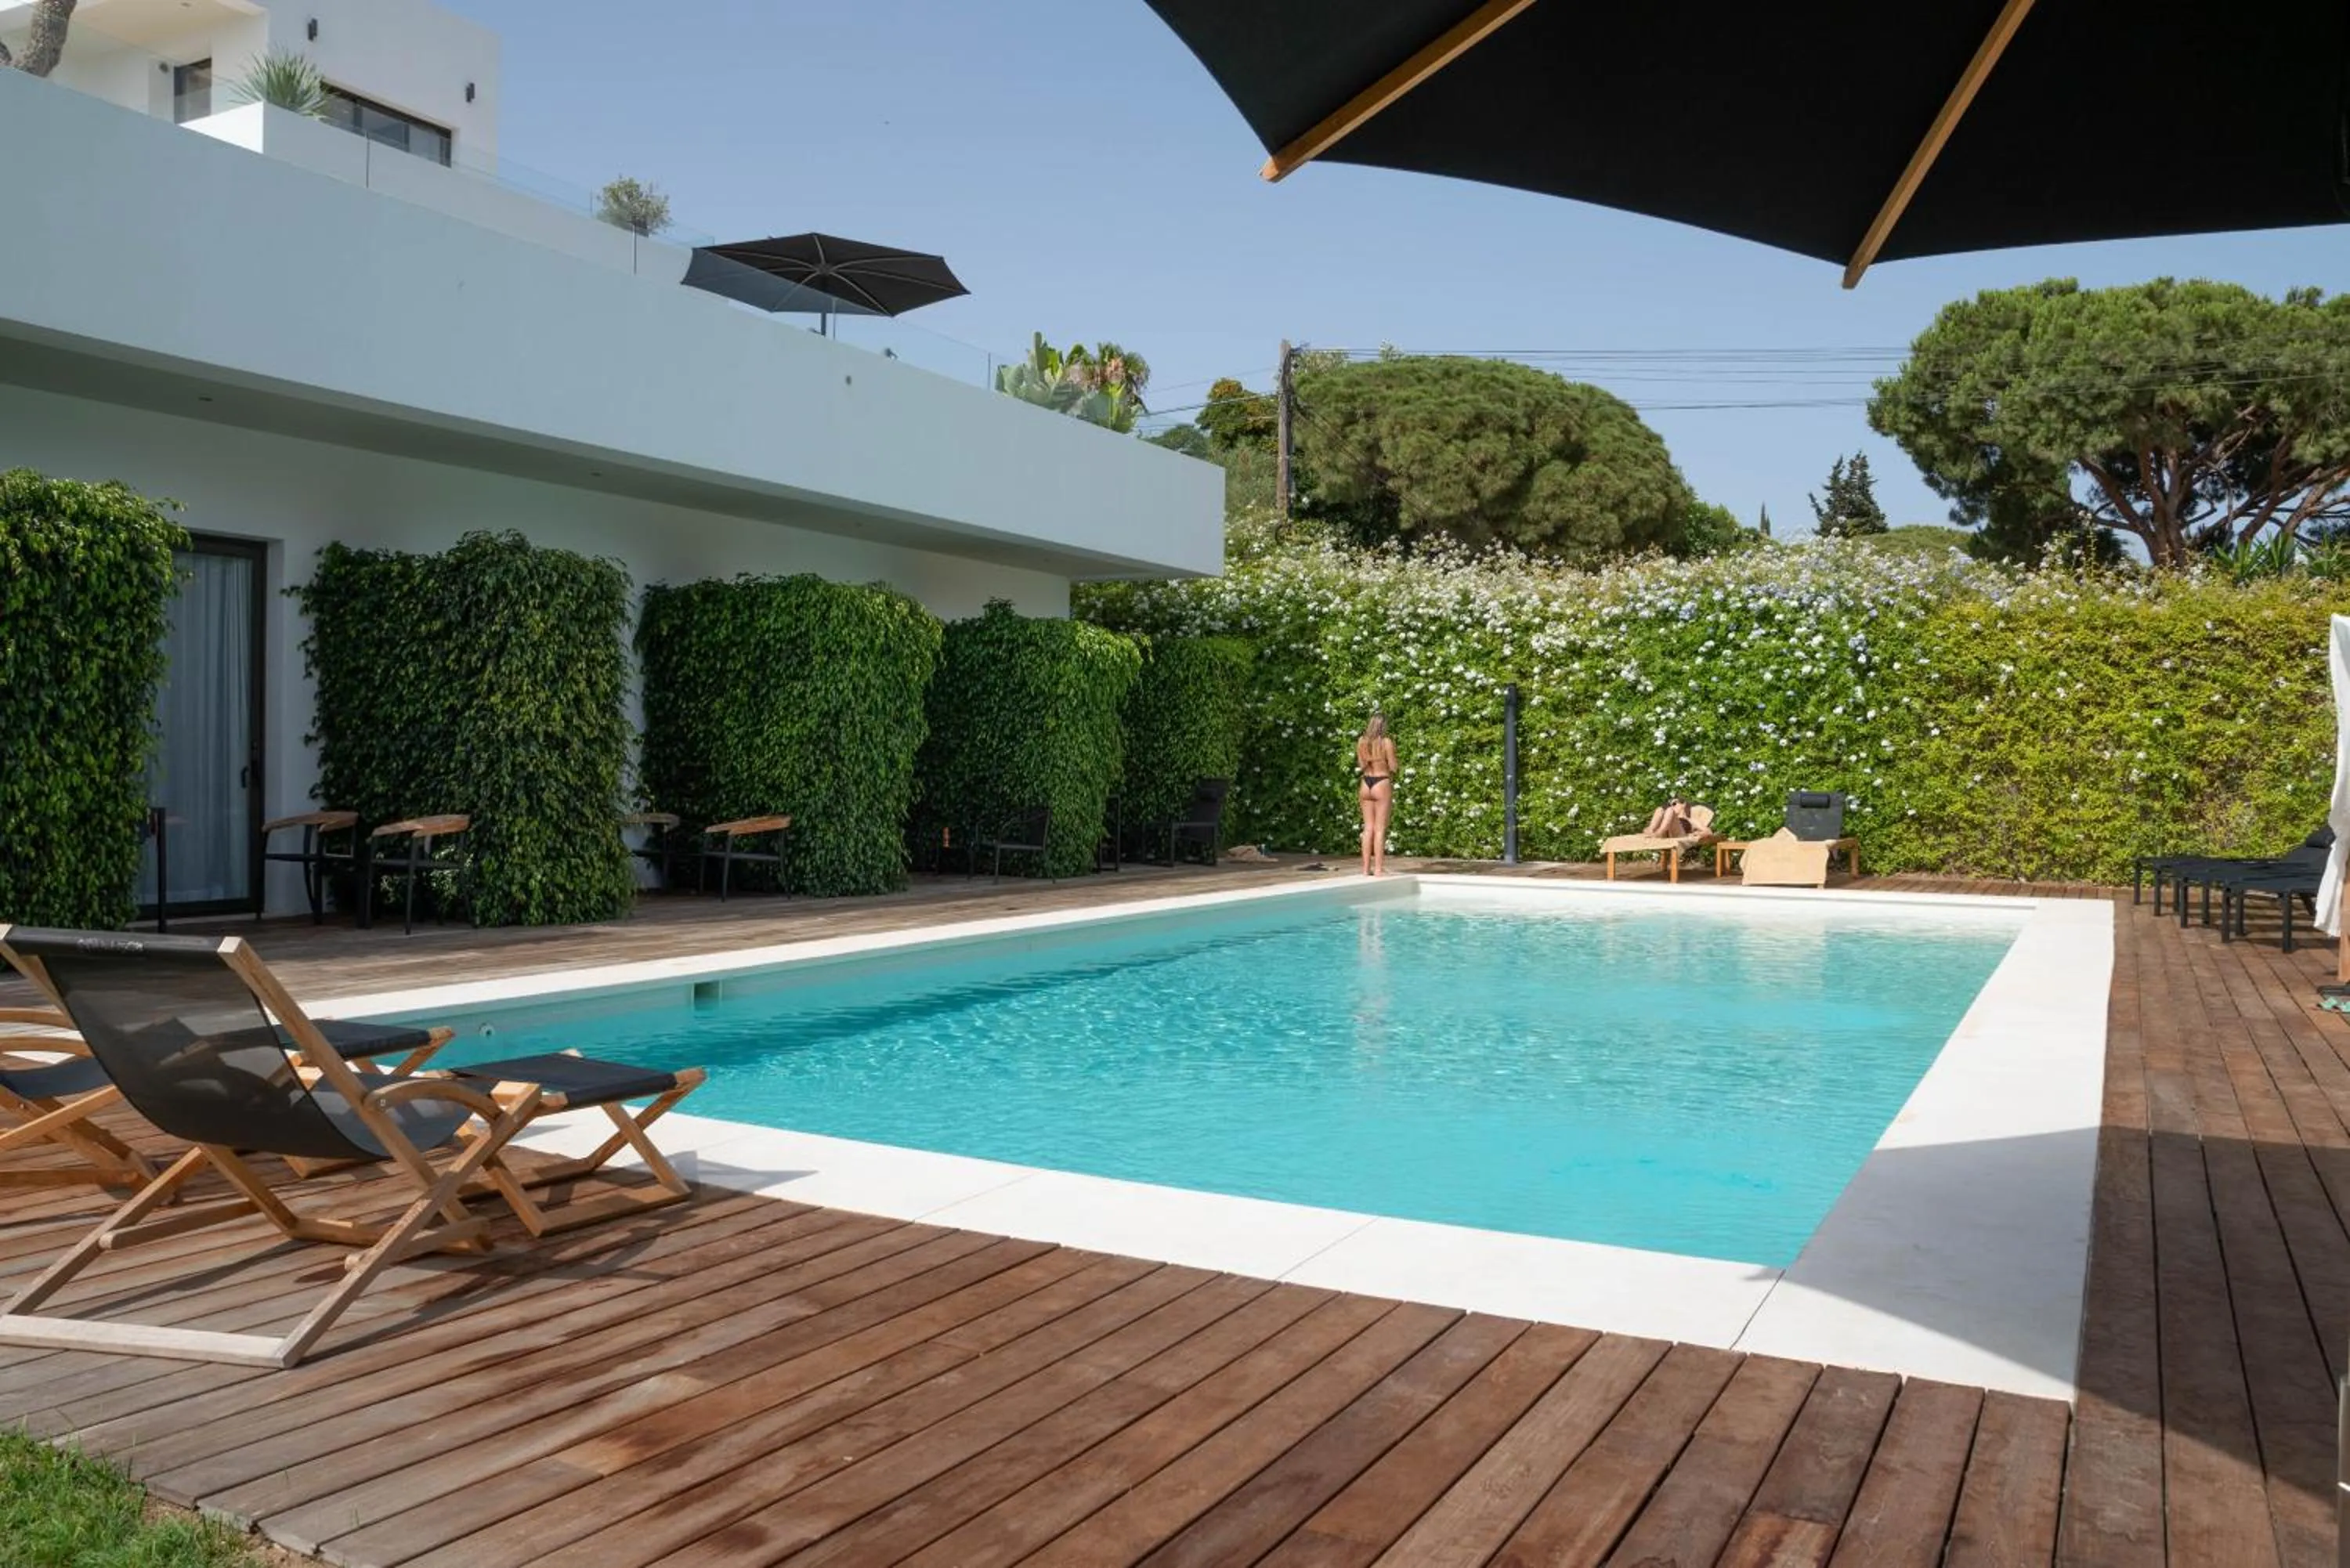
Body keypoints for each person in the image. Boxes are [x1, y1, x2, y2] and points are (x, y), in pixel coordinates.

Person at [1355, 714, 1397, 876]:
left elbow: (1361, 764)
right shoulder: (1386, 742)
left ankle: (1365, 869)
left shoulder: (1361, 741)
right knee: (1380, 829)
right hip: (1381, 782)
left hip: (1366, 783)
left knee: (1368, 828)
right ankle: (1379, 869)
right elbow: (1393, 767)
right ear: (1383, 726)